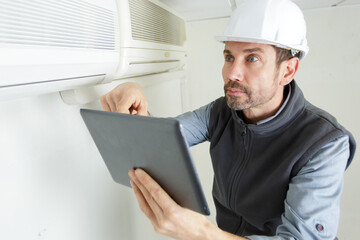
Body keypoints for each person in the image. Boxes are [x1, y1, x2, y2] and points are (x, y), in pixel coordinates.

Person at [100, 0, 356, 239]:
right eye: (229, 57)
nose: (232, 73)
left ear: (287, 70)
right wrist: (134, 95)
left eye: (252, 58)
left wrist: (202, 232)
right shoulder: (221, 112)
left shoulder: (324, 142)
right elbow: (157, 140)